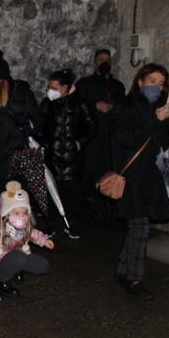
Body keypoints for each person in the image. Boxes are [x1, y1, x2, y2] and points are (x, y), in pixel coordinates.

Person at [111, 63, 169, 300]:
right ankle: (134, 279)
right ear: (140, 81)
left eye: (161, 82)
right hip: (133, 176)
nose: (157, 85)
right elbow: (125, 138)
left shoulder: (165, 106)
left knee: (138, 227)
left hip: (154, 177)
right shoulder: (126, 106)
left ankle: (123, 270)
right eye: (152, 80)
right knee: (141, 228)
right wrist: (154, 119)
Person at [0, 50, 43, 211]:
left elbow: (37, 120)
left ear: (4, 79)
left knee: (17, 200)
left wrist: (22, 130)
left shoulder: (21, 93)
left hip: (18, 155)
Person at [38, 68, 95, 239]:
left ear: (66, 87)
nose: (51, 91)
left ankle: (71, 224)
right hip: (52, 155)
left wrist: (80, 142)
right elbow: (39, 125)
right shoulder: (47, 104)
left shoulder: (80, 103)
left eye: (55, 87)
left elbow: (92, 126)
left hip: (72, 157)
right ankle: (50, 224)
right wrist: (44, 143)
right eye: (50, 87)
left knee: (71, 193)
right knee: (50, 191)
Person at [0, 181, 54, 302]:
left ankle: (16, 269)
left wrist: (44, 240)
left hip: (16, 256)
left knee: (42, 266)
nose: (22, 216)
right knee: (18, 257)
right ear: (6, 214)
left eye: (25, 213)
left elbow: (32, 233)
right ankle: (3, 281)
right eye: (16, 213)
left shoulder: (24, 226)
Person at [75, 48, 127, 223]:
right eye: (101, 59)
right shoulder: (85, 83)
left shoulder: (117, 86)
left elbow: (123, 107)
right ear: (95, 63)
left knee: (107, 172)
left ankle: (104, 213)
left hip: (110, 137)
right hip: (91, 137)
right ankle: (81, 211)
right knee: (87, 171)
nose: (105, 62)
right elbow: (76, 104)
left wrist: (115, 109)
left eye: (108, 59)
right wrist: (94, 105)